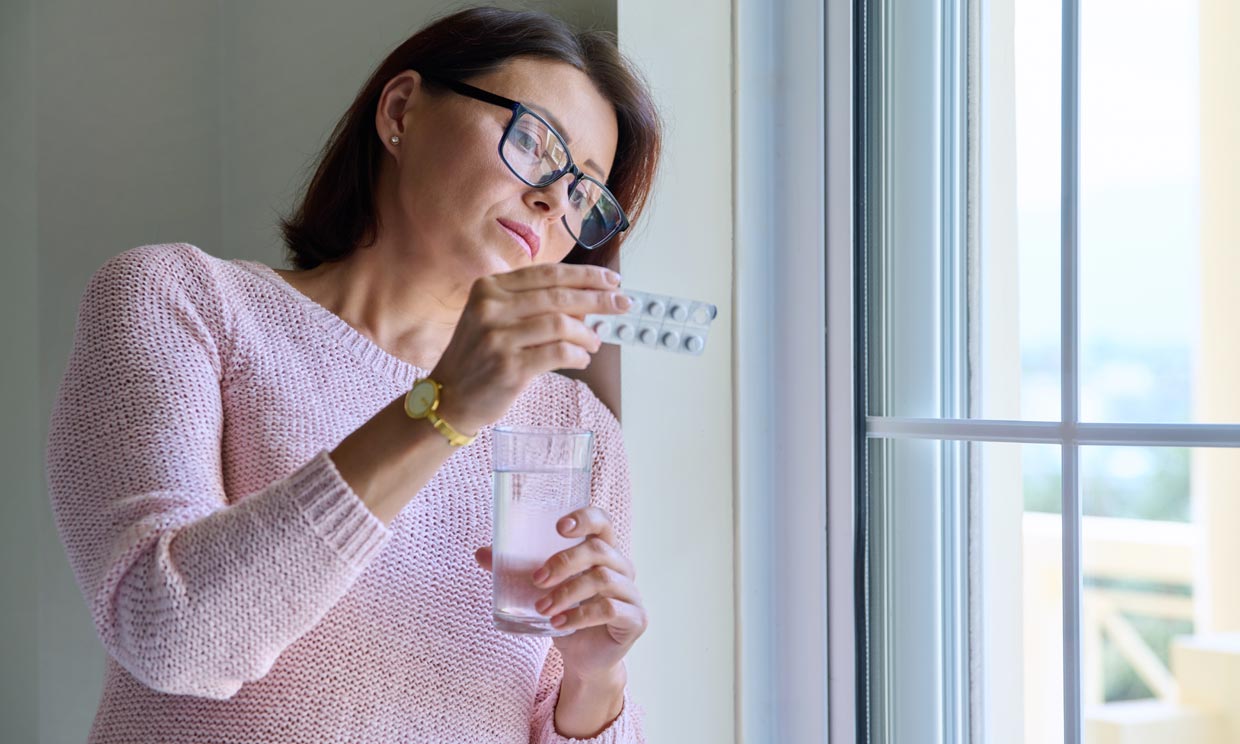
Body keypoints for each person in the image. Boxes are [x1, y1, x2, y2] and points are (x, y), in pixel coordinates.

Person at [44, 7, 661, 743]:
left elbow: (556, 710)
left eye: (584, 193)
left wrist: (596, 682)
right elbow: (174, 638)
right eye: (532, 140)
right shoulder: (181, 300)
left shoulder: (574, 424)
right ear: (401, 110)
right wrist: (443, 410)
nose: (553, 200)